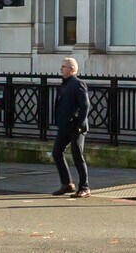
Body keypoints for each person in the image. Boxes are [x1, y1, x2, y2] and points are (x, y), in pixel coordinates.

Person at [51, 57, 90, 198]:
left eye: (64, 66)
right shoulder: (63, 85)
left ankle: (84, 187)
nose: (61, 69)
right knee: (56, 152)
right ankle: (67, 183)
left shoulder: (78, 84)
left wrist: (79, 124)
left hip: (75, 126)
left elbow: (85, 105)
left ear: (72, 69)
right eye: (61, 66)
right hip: (64, 125)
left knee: (77, 155)